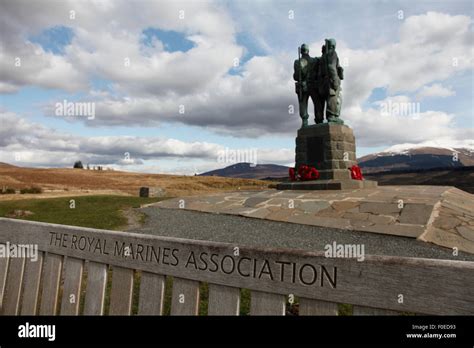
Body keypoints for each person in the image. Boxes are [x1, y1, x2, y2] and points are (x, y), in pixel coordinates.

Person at [318, 38, 344, 123]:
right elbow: (331, 67)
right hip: (330, 80)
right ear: (333, 45)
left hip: (324, 81)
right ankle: (332, 116)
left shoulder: (323, 57)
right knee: (333, 97)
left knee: (330, 98)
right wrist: (335, 80)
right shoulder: (332, 53)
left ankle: (331, 115)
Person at [293, 44, 319, 127]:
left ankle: (304, 121)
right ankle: (319, 119)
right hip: (314, 85)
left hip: (303, 85)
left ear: (301, 52)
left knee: (303, 103)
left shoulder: (297, 62)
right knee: (317, 102)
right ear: (308, 51)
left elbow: (296, 76)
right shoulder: (314, 60)